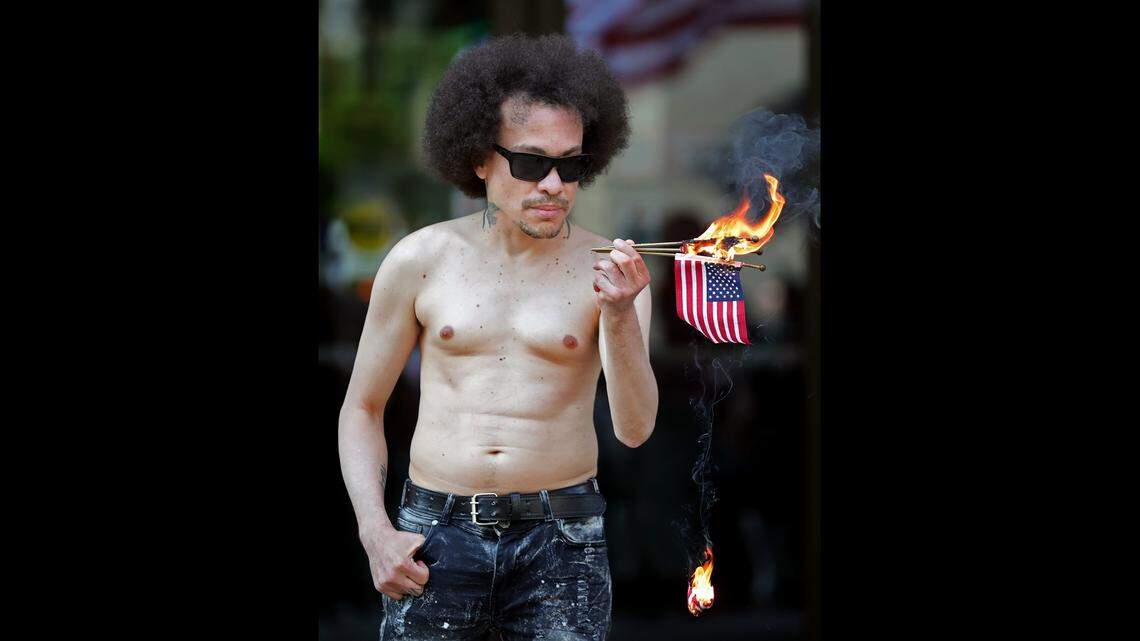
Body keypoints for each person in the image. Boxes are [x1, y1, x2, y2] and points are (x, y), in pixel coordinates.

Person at [338, 33, 658, 640]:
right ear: (481, 157)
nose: (554, 185)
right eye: (533, 162)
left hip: (561, 536)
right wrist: (375, 532)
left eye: (573, 165)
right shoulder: (420, 259)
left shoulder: (612, 272)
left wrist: (619, 315)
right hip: (434, 529)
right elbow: (362, 407)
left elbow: (635, 429)